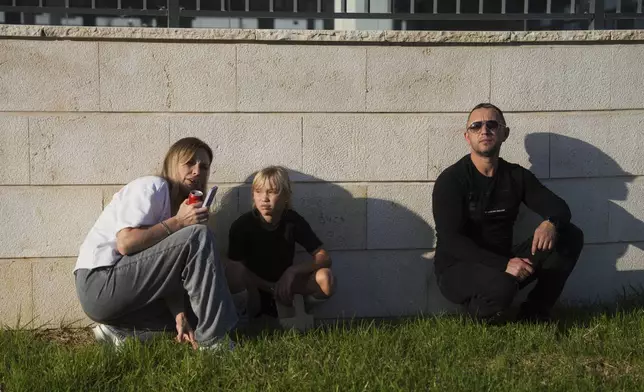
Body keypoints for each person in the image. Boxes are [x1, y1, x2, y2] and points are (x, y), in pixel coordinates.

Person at [74, 137, 237, 349]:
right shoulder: (153, 186)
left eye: (204, 166)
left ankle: (119, 332)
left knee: (193, 318)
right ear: (172, 164)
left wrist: (180, 315)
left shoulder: (173, 207)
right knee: (199, 235)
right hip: (100, 282)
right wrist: (179, 222)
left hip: (121, 292)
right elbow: (126, 242)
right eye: (189, 163)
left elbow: (165, 274)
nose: (197, 171)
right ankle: (214, 342)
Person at [432, 103, 584, 322]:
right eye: (476, 126)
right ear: (467, 137)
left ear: (505, 133)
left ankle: (535, 312)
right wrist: (503, 265)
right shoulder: (452, 180)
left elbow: (560, 208)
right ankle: (480, 312)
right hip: (457, 268)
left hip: (505, 262)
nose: (484, 130)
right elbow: (451, 240)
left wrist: (550, 222)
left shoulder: (516, 176)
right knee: (503, 285)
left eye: (492, 124)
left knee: (569, 235)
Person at [226, 166, 335, 319]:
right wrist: (269, 287)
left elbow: (324, 257)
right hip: (255, 288)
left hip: (286, 287)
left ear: (285, 196)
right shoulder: (242, 225)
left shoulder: (292, 220)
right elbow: (236, 268)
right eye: (258, 191)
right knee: (232, 269)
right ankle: (243, 319)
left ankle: (303, 313)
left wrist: (292, 271)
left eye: (271, 192)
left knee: (325, 277)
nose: (264, 198)